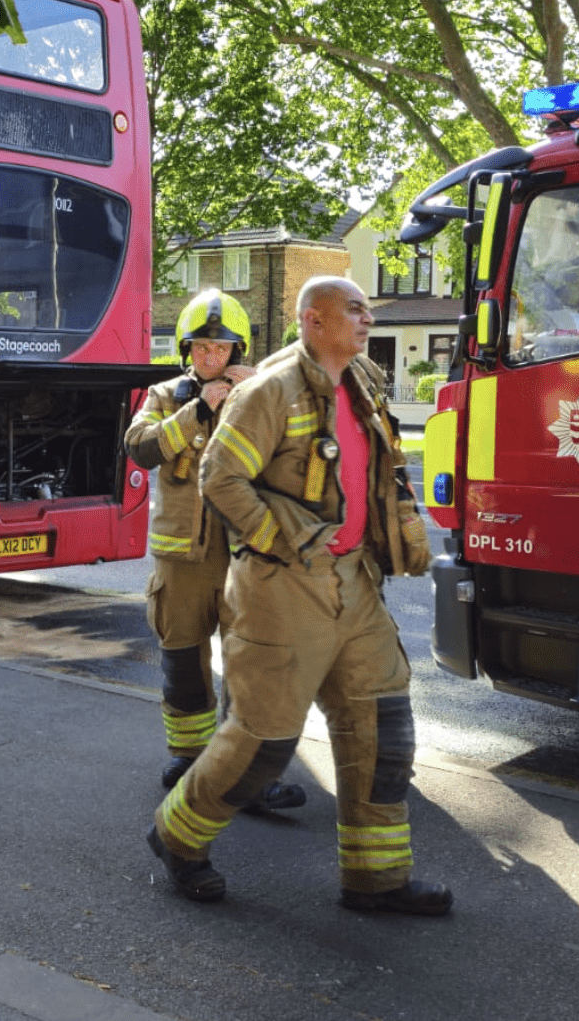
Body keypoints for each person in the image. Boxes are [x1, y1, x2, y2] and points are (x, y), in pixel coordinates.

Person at [145, 275, 449, 916]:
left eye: (367, 309)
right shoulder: (269, 390)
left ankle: (376, 878)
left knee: (383, 728)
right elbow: (218, 477)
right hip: (284, 588)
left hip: (355, 586)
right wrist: (279, 541)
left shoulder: (361, 383)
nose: (369, 318)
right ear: (314, 319)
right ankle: (176, 837)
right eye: (354, 309)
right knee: (263, 745)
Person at [125, 290, 305, 810]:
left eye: (221, 348)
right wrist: (198, 410)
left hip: (245, 555)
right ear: (187, 349)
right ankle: (190, 759)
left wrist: (260, 392)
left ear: (237, 350)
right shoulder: (164, 394)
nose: (210, 357)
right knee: (183, 660)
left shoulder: (259, 393)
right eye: (201, 348)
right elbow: (140, 449)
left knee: (252, 665)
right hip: (181, 559)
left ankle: (250, 775)